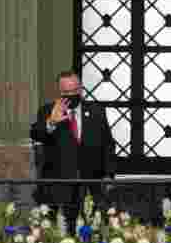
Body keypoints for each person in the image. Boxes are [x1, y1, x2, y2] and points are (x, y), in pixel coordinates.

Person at [30, 69, 115, 228]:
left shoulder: (97, 111)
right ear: (59, 92)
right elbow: (36, 134)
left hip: (91, 185)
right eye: (66, 92)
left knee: (92, 230)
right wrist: (52, 122)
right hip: (58, 187)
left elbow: (108, 144)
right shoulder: (48, 111)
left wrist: (109, 175)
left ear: (81, 89)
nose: (71, 95)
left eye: (74, 91)